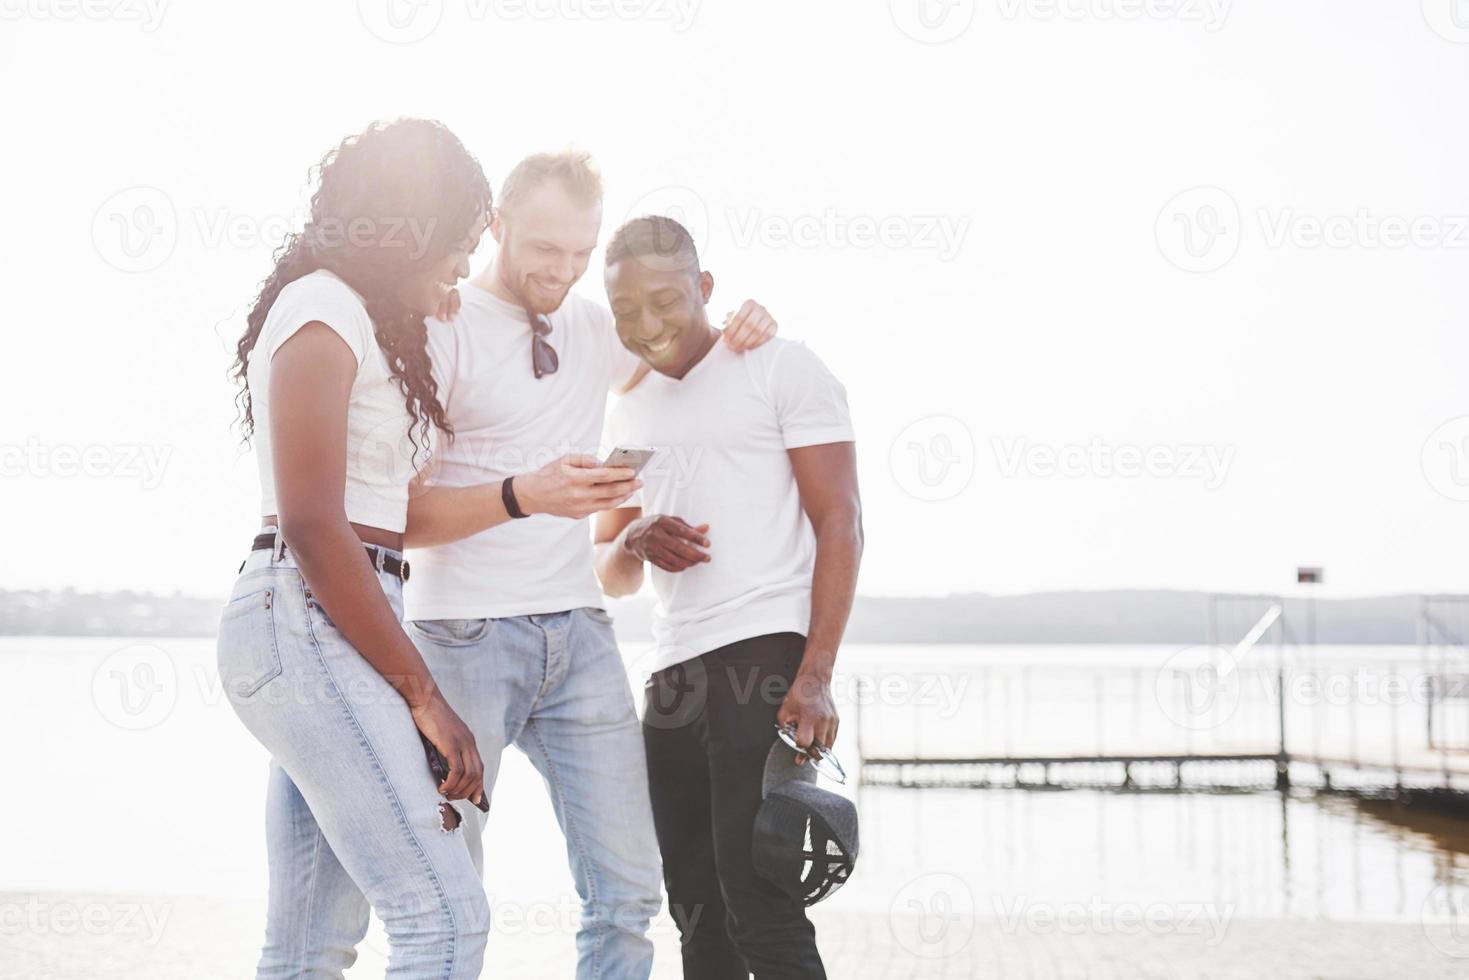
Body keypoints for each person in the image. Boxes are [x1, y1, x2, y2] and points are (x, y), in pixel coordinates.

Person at [273, 148, 778, 980]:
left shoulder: (592, 325)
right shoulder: (436, 327)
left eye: (580, 253)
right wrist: (526, 494)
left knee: (627, 894)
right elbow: (392, 517)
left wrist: (741, 328)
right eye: (545, 248)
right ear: (497, 228)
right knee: (446, 899)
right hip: (459, 637)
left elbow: (680, 342)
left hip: (581, 636)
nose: (562, 270)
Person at [216, 118, 493, 979]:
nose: (465, 265)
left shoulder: (366, 318)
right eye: (460, 241)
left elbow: (383, 516)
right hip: (306, 617)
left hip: (336, 615)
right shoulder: (323, 306)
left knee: (309, 946)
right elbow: (311, 520)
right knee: (445, 921)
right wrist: (425, 695)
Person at [594, 215, 863, 979]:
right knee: (697, 920)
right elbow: (607, 570)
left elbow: (840, 521)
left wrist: (815, 675)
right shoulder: (630, 412)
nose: (646, 325)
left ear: (704, 287)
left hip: (765, 659)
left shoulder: (779, 367)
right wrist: (633, 537)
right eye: (625, 311)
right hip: (670, 677)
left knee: (763, 911)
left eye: (665, 300)